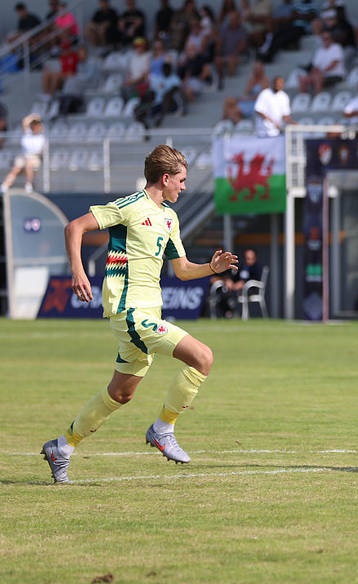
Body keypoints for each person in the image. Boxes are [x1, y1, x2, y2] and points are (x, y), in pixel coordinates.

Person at [40, 145, 239, 484]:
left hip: (148, 311)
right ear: (166, 178)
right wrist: (78, 271)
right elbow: (74, 227)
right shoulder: (129, 206)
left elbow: (183, 270)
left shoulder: (169, 218)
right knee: (202, 357)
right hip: (128, 310)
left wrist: (212, 267)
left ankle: (62, 446)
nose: (184, 187)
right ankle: (163, 429)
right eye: (182, 180)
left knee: (121, 394)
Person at [0, 114, 45, 193]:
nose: (35, 127)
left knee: (29, 164)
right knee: (16, 167)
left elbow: (39, 152)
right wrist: (34, 116)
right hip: (24, 157)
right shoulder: (27, 134)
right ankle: (5, 185)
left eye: (37, 125)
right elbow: (25, 121)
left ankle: (29, 185)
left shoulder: (41, 137)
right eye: (34, 125)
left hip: (34, 158)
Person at [297, 30, 346, 95]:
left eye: (327, 38)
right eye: (323, 39)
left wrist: (321, 72)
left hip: (336, 75)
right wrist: (313, 74)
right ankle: (303, 100)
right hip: (322, 75)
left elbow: (333, 64)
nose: (325, 40)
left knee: (317, 78)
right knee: (303, 79)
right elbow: (315, 66)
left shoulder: (336, 48)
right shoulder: (320, 51)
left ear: (331, 39)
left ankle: (317, 98)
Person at [215, 10, 248, 86]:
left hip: (239, 56)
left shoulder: (242, 30)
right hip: (226, 55)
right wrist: (218, 54)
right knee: (218, 61)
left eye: (234, 19)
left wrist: (234, 54)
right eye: (231, 19)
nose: (232, 21)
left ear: (238, 20)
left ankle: (231, 84)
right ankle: (221, 81)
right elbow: (219, 43)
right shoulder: (224, 29)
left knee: (231, 60)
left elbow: (242, 46)